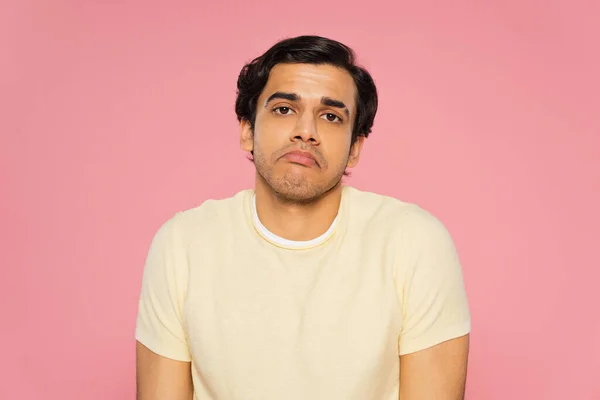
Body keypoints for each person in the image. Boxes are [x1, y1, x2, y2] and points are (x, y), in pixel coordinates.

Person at [135, 35, 471, 400]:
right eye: (283, 109)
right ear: (247, 130)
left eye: (330, 116)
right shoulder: (183, 244)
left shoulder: (413, 243)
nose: (306, 132)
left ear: (355, 148)